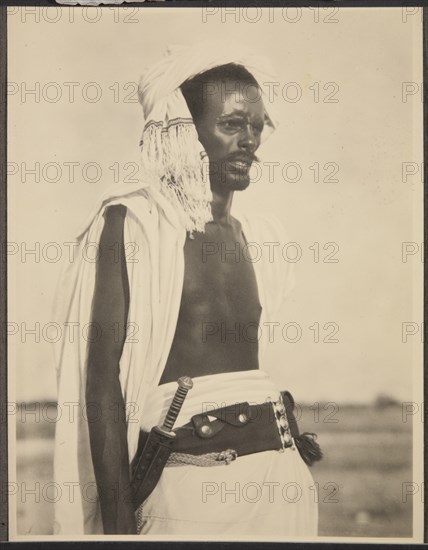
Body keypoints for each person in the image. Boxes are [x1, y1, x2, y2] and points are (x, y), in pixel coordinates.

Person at [54, 41, 319, 536]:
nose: (250, 140)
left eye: (257, 126)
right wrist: (117, 527)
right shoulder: (134, 223)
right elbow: (102, 381)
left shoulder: (260, 238)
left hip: (282, 482)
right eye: (232, 124)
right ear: (185, 131)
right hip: (185, 490)